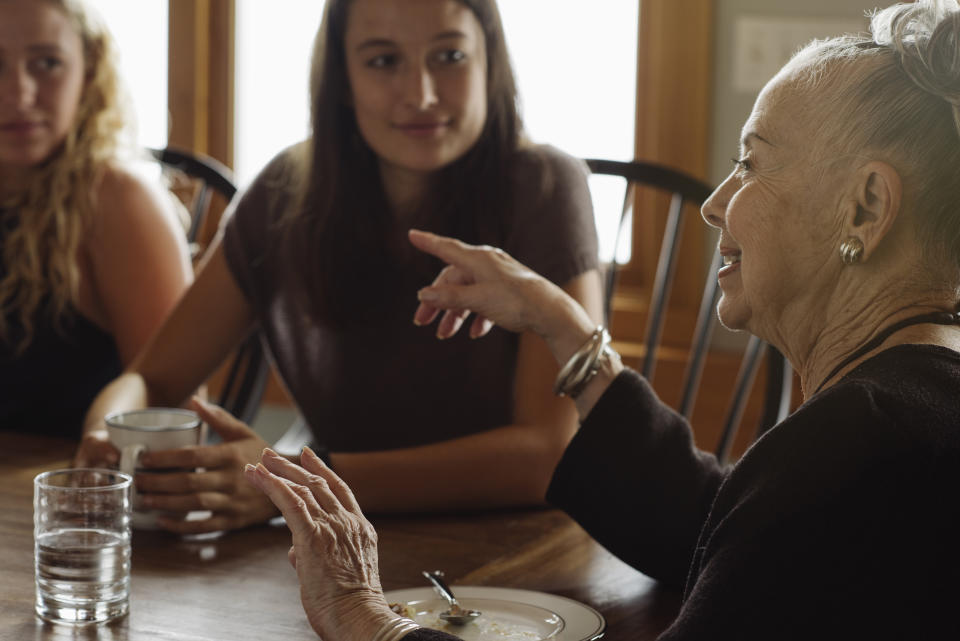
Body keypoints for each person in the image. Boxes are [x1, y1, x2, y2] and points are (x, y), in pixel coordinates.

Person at [244, 0, 960, 638]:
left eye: (751, 163)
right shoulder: (901, 418)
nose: (716, 203)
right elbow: (719, 529)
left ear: (866, 207)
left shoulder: (861, 450)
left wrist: (366, 617)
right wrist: (567, 332)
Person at [77, 0, 602, 533]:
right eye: (383, 61)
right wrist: (104, 434)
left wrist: (301, 485)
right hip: (330, 548)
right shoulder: (286, 190)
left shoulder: (545, 185)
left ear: (490, 62)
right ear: (341, 80)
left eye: (449, 55)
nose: (421, 93)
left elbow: (550, 453)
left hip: (524, 557)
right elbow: (151, 377)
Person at [0, 0, 192, 437]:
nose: (19, 94)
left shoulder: (119, 200)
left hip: (79, 494)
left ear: (88, 73)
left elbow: (178, 406)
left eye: (47, 63)